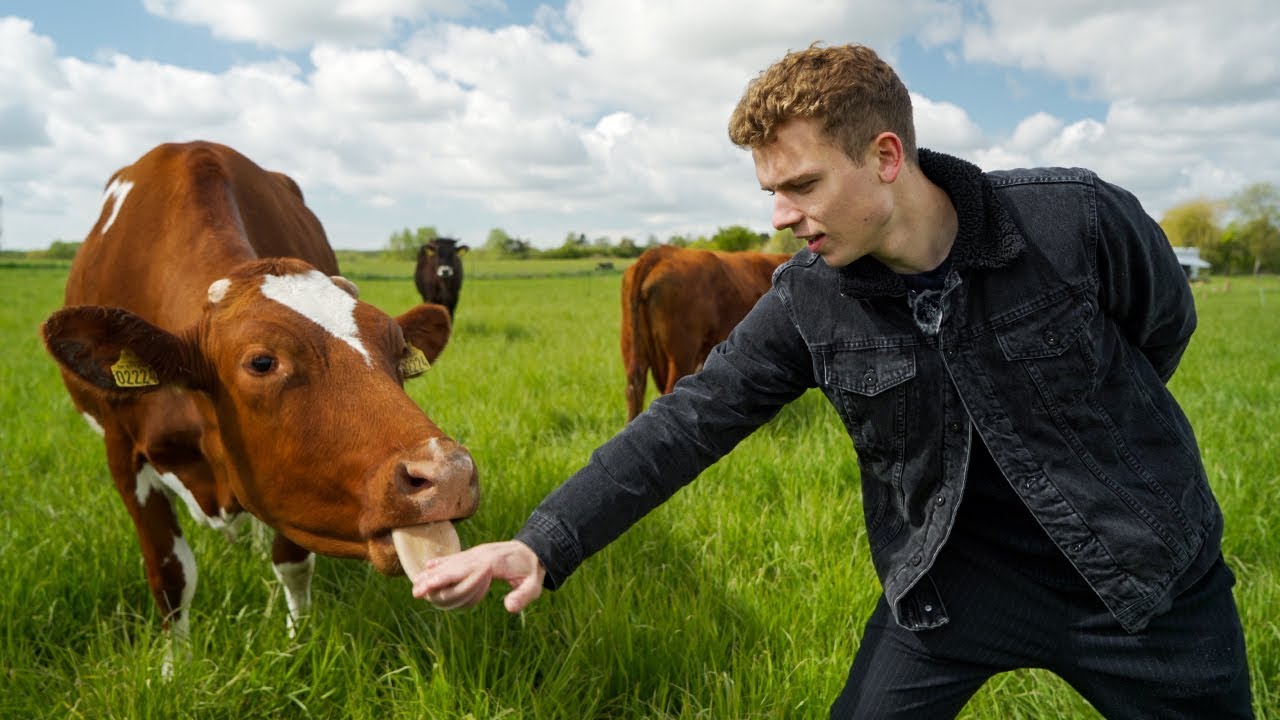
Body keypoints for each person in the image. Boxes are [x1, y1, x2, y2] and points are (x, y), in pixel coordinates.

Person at [411, 43, 1254, 718]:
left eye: (802, 184)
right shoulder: (807, 303)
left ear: (885, 155)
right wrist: (541, 542)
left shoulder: (1074, 219)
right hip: (948, 585)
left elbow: (1160, 332)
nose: (780, 214)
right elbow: (685, 423)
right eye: (771, 190)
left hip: (1140, 580)